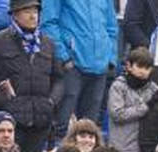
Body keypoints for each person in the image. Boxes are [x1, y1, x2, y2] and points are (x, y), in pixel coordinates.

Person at [0, 0, 62, 152]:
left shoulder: (48, 44)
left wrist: (51, 102)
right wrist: (2, 101)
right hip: (10, 122)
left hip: (41, 121)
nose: (33, 16)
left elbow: (59, 79)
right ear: (15, 15)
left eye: (35, 12)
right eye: (27, 11)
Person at [41, 0, 116, 133]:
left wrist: (110, 58)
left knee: (89, 130)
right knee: (61, 126)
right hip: (70, 66)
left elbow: (112, 27)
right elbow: (48, 23)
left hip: (100, 68)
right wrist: (64, 57)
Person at [109, 47, 158, 152]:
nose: (143, 71)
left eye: (147, 67)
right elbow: (117, 114)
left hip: (140, 148)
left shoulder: (152, 87)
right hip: (121, 148)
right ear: (129, 66)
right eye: (139, 66)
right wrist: (145, 107)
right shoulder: (118, 86)